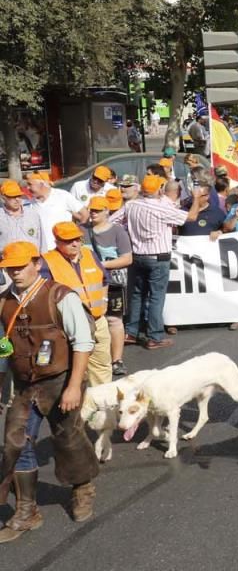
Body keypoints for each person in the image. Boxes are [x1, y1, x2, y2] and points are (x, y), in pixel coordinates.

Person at [0, 241, 101, 544]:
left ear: (37, 263)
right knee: (15, 442)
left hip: (61, 379)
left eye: (21, 266)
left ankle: (82, 489)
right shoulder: (4, 302)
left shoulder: (60, 296)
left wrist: (73, 386)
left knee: (68, 438)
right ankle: (27, 510)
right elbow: (3, 350)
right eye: (10, 268)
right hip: (25, 384)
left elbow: (83, 342)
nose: (15, 272)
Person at [113, 174, 200, 350]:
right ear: (159, 190)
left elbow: (112, 221)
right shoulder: (161, 210)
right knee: (155, 296)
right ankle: (154, 336)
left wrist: (129, 232)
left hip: (137, 256)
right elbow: (191, 217)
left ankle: (131, 331)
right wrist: (196, 197)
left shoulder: (131, 205)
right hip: (157, 256)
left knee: (136, 295)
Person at [40, 222, 112, 387]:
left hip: (98, 321)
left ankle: (103, 407)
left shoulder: (89, 254)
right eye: (68, 240)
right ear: (57, 242)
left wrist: (104, 301)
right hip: (70, 327)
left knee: (101, 367)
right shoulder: (47, 262)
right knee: (74, 369)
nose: (75, 244)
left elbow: (104, 280)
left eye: (77, 239)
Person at [84, 196, 132, 376]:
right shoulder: (82, 230)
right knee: (90, 320)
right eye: (91, 210)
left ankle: (117, 360)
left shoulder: (118, 231)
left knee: (114, 320)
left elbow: (127, 258)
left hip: (113, 282)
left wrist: (100, 265)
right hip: (89, 283)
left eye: (97, 210)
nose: (93, 213)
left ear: (107, 211)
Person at [0, 180, 45, 251]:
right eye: (12, 196)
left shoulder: (33, 214)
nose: (17, 199)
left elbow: (42, 242)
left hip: (31, 260)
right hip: (8, 260)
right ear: (3, 198)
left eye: (19, 196)